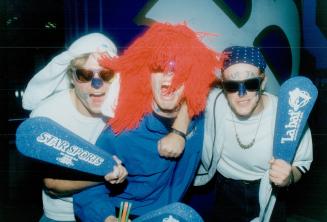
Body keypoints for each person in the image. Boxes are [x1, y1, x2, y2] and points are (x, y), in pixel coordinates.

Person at [72, 22, 224, 222]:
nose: (170, 75)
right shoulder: (122, 131)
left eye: (181, 69)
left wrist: (181, 127)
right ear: (146, 75)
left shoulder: (202, 116)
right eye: (159, 67)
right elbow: (88, 189)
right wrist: (106, 218)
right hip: (126, 214)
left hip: (171, 213)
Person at [190, 46, 313, 221]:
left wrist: (288, 177)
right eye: (232, 85)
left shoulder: (288, 115)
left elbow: (301, 163)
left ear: (263, 83)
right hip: (225, 191)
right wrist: (177, 132)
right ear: (223, 87)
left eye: (251, 83)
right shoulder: (215, 104)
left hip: (269, 192)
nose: (242, 94)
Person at [22, 33, 128, 222]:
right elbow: (53, 184)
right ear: (72, 77)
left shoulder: (121, 107)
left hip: (107, 211)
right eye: (85, 75)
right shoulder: (48, 116)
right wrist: (105, 175)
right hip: (63, 215)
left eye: (106, 74)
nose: (97, 85)